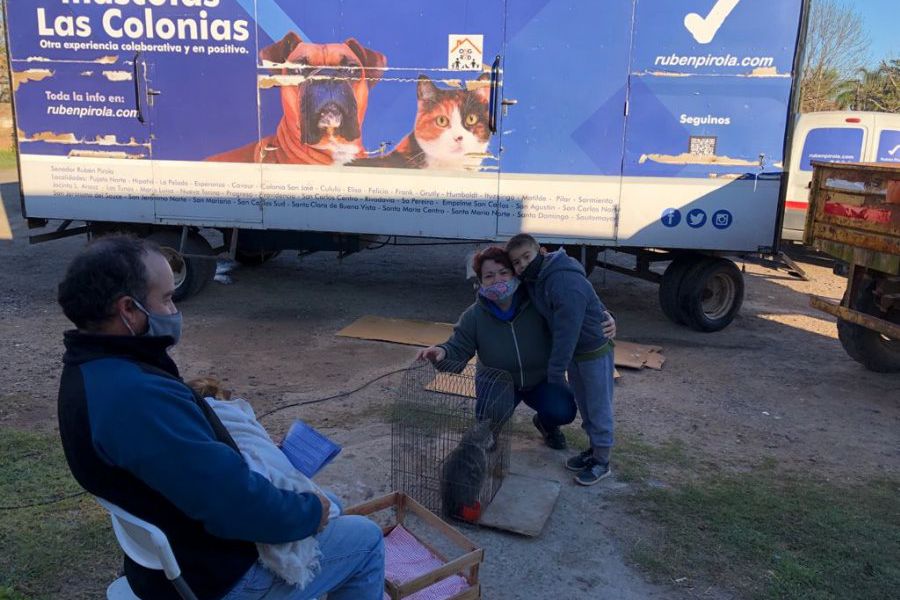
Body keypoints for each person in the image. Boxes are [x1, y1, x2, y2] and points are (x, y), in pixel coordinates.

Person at [56, 235, 384, 600]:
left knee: (331, 502)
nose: (174, 311)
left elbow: (189, 465)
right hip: (215, 577)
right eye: (165, 299)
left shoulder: (92, 369)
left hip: (172, 558)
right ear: (128, 311)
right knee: (364, 538)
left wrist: (261, 456)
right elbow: (233, 505)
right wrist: (308, 513)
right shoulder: (134, 397)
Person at [417, 246, 614, 449]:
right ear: (480, 281)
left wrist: (606, 316)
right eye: (489, 276)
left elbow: (574, 305)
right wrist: (442, 352)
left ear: (515, 274)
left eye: (504, 273)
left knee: (563, 410)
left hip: (539, 379)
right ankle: (491, 430)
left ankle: (546, 424)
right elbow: (458, 346)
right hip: (498, 382)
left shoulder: (538, 302)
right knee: (491, 413)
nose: (498, 280)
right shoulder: (474, 316)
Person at [506, 234, 616, 486]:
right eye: (517, 263)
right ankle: (594, 450)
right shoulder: (535, 280)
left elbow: (568, 331)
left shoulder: (561, 279)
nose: (522, 265)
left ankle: (603, 461)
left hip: (593, 350)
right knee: (586, 405)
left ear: (541, 252)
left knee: (598, 406)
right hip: (577, 354)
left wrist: (556, 372)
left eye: (527, 257)